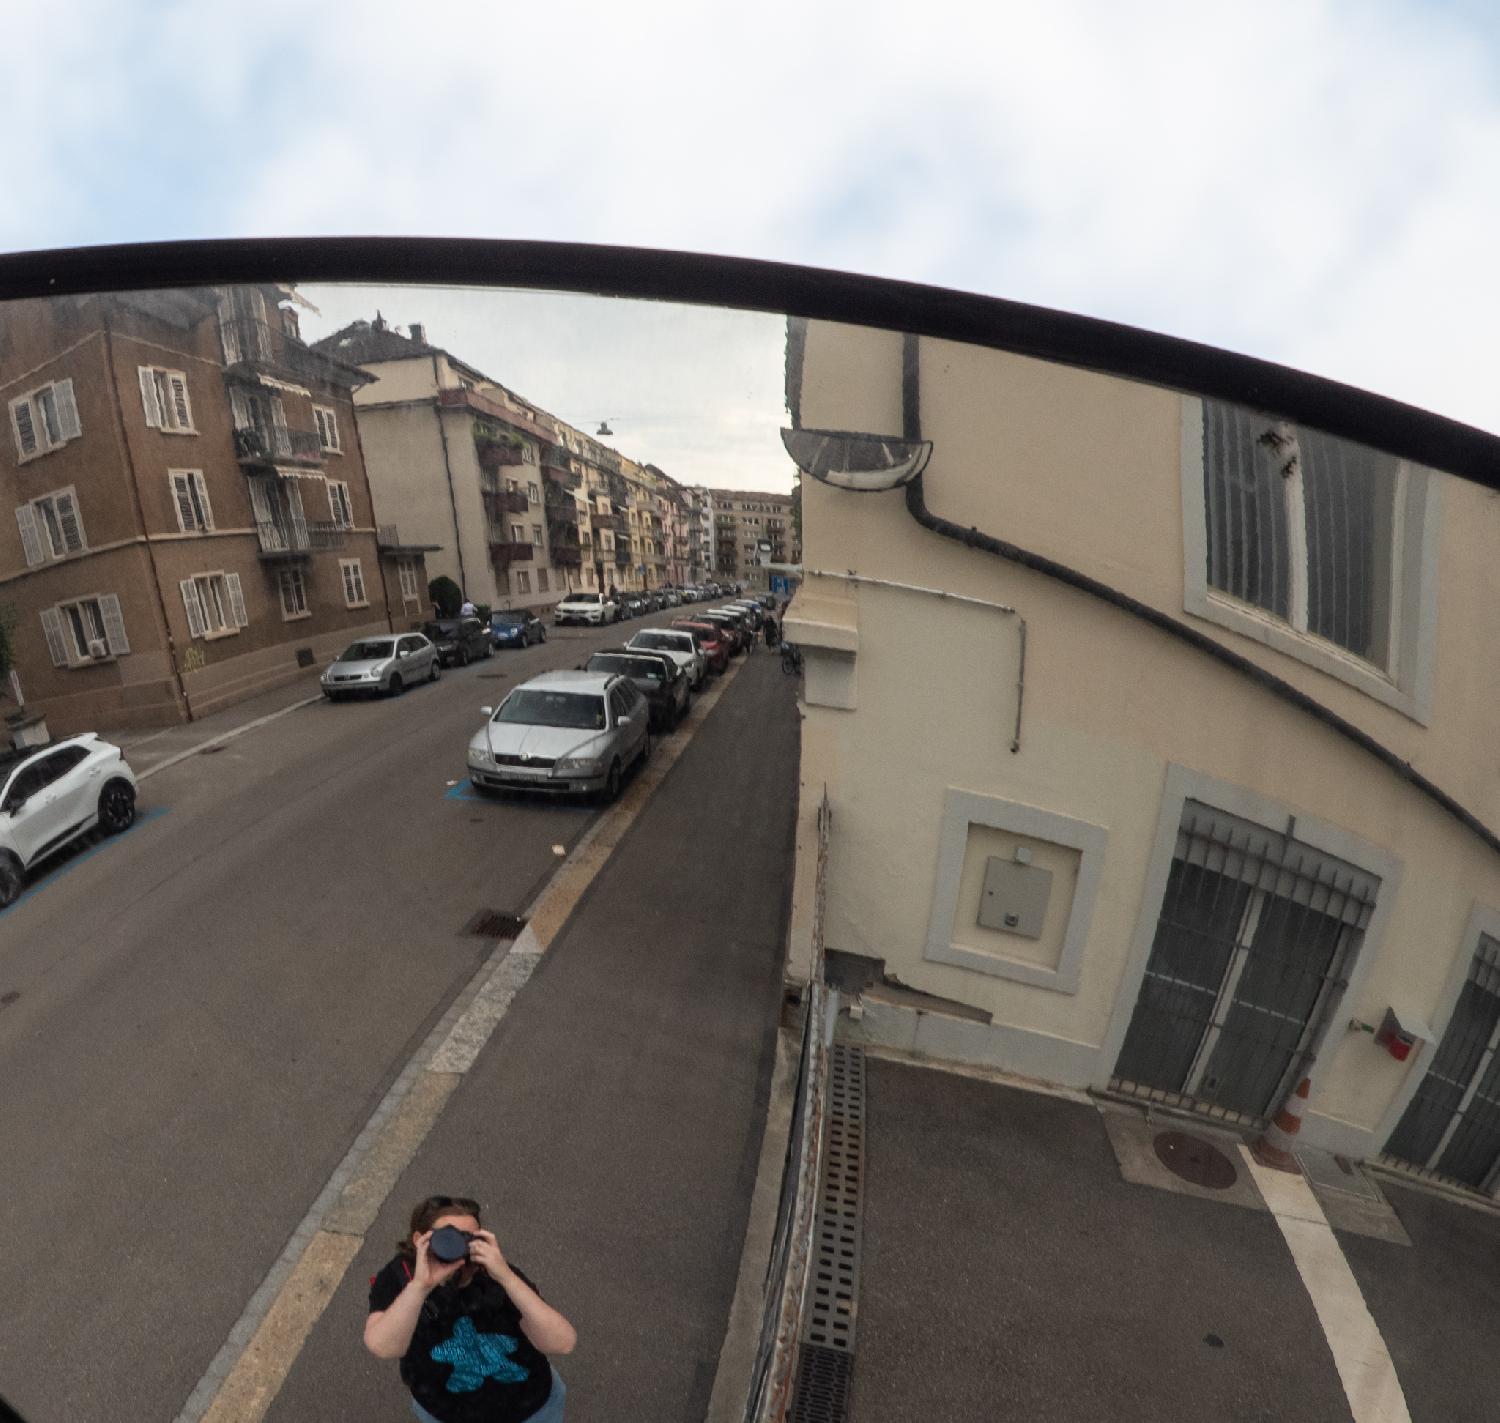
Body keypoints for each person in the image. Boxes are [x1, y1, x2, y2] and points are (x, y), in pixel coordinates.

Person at [366, 1194, 576, 1423]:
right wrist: (420, 1287)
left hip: (530, 1410)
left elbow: (562, 1343)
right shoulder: (401, 1278)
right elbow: (383, 1347)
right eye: (447, 1237)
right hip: (446, 1414)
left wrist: (506, 1276)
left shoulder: (498, 1276)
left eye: (469, 1238)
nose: (459, 1247)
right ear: (420, 1239)